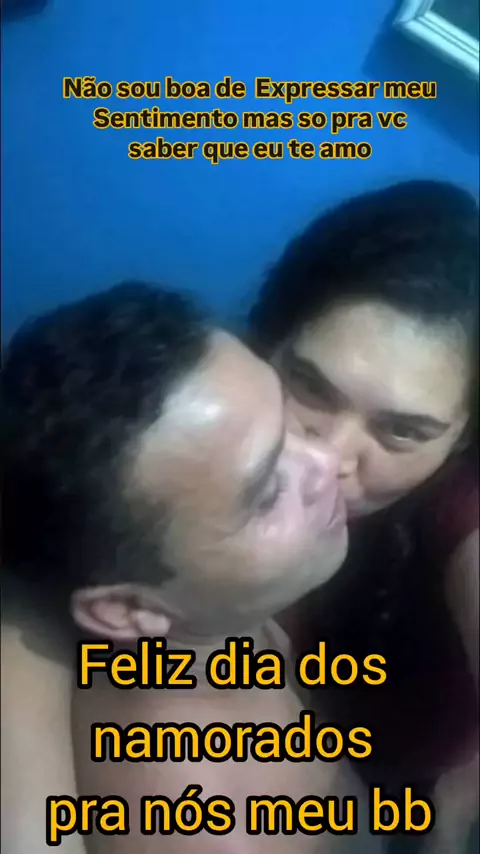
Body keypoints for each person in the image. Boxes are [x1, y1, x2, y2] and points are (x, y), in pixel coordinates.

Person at [3, 283, 383, 854]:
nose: (327, 460)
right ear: (129, 609)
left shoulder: (216, 611)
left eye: (288, 419)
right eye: (266, 494)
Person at [248, 179, 479, 852]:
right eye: (309, 386)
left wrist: (458, 797)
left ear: (462, 439)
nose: (326, 459)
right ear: (267, 343)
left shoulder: (459, 509)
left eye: (402, 431)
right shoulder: (198, 410)